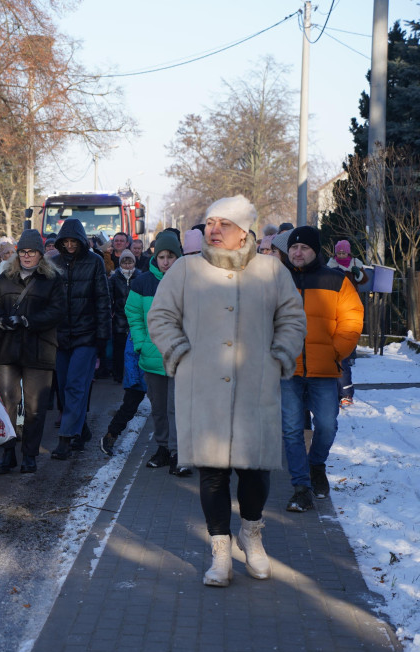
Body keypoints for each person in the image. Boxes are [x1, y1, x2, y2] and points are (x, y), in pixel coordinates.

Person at [148, 195, 306, 587]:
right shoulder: (185, 269)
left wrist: (279, 355)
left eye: (224, 224)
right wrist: (180, 353)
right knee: (213, 474)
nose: (213, 230)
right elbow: (161, 315)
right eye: (210, 223)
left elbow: (292, 317)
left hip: (256, 388)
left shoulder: (271, 270)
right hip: (203, 390)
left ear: (244, 232)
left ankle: (251, 536)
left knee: (255, 473)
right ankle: (220, 553)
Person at [281, 226, 364, 511]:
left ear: (316, 250)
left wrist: (334, 354)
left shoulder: (336, 280)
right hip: (288, 370)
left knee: (327, 425)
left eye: (304, 247)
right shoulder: (278, 281)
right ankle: (300, 487)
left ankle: (316, 465)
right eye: (293, 247)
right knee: (291, 430)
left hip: (324, 370)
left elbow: (352, 320)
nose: (298, 252)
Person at [0, 229, 64, 474]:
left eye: (32, 252)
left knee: (35, 408)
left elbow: (58, 311)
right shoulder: (5, 277)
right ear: (18, 254)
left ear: (40, 254)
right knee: (7, 402)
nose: (27, 256)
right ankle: (8, 453)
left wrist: (29, 320)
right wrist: (2, 320)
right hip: (8, 349)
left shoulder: (52, 279)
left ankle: (29, 455)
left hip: (39, 351)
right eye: (23, 252)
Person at [48, 220, 111, 459]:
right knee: (64, 388)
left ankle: (65, 438)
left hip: (86, 335)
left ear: (82, 241)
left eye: (74, 241)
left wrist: (103, 338)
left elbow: (103, 301)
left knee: (75, 384)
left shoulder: (94, 262)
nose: (71, 245)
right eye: (67, 241)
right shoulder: (53, 263)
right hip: (60, 336)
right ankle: (80, 428)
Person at [126, 230, 187, 475]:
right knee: (159, 407)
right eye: (161, 256)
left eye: (170, 256)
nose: (165, 261)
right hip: (152, 356)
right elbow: (134, 315)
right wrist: (141, 343)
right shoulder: (142, 282)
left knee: (178, 408)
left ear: (177, 257)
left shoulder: (189, 280)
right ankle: (163, 448)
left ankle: (178, 453)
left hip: (181, 357)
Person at [326, 239, 368, 405]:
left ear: (349, 253)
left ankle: (346, 392)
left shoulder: (355, 264)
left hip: (351, 303)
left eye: (344, 252)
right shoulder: (331, 265)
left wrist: (358, 273)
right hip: (335, 305)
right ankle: (340, 391)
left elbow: (363, 279)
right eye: (339, 252)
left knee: (347, 338)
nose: (341, 255)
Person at [108, 249, 139, 383]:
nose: (127, 265)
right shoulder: (115, 278)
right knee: (119, 349)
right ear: (120, 264)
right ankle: (118, 375)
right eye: (125, 262)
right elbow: (110, 297)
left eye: (130, 262)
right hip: (119, 318)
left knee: (135, 349)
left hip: (135, 319)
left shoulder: (139, 276)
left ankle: (134, 375)